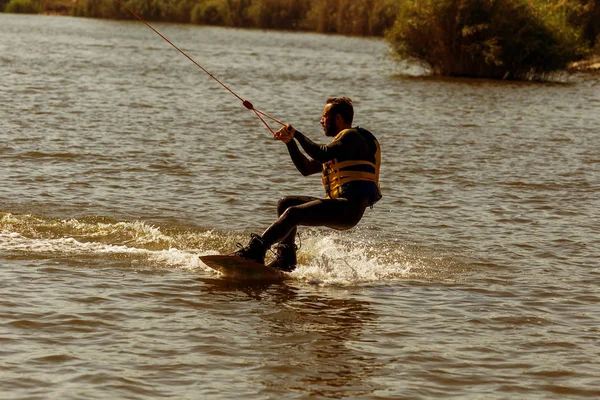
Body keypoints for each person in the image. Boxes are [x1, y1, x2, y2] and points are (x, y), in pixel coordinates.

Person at [231, 97, 382, 271]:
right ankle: (286, 259)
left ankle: (255, 251)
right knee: (286, 203)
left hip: (349, 209)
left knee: (293, 213)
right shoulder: (342, 148)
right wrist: (290, 142)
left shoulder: (352, 137)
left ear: (338, 118)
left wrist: (297, 134)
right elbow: (306, 168)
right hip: (340, 207)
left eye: (325, 116)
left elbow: (322, 153)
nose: (321, 121)